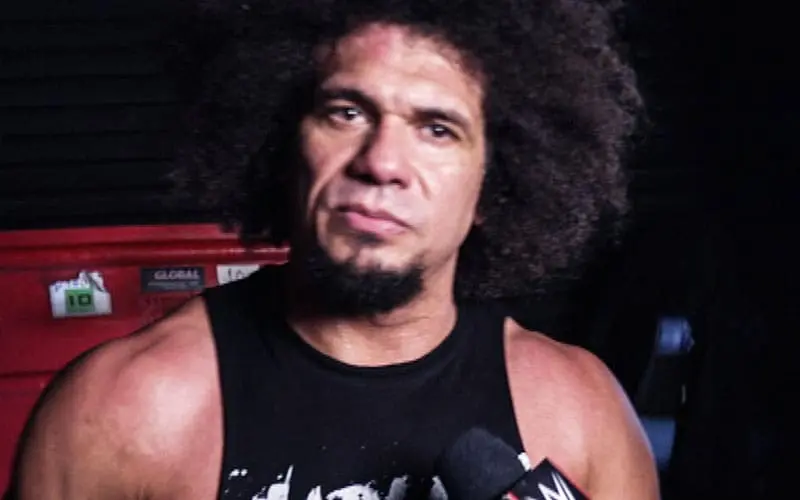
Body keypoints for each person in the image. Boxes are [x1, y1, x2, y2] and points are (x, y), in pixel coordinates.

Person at [8, 0, 659, 498]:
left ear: (494, 185)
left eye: (437, 129)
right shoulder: (121, 411)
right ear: (283, 144)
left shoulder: (579, 412)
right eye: (347, 112)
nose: (382, 163)